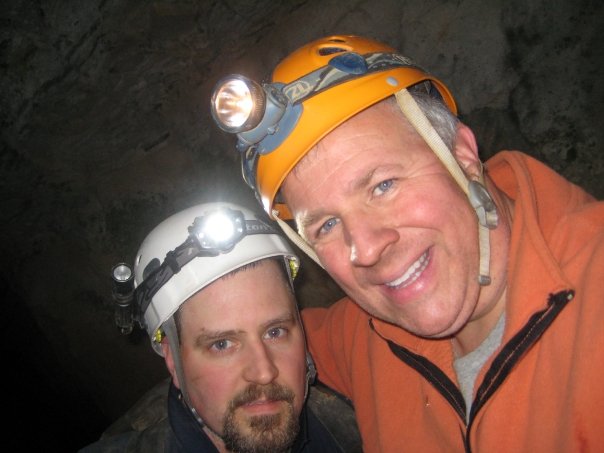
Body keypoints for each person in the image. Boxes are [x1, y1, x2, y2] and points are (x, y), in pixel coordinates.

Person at [210, 35, 604, 451]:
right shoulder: (365, 336)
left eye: (383, 185)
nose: (366, 249)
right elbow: (270, 339)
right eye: (326, 225)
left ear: (462, 154)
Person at [80, 202, 359, 452]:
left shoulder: (359, 425)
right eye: (222, 344)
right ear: (173, 360)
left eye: (275, 332)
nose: (264, 372)